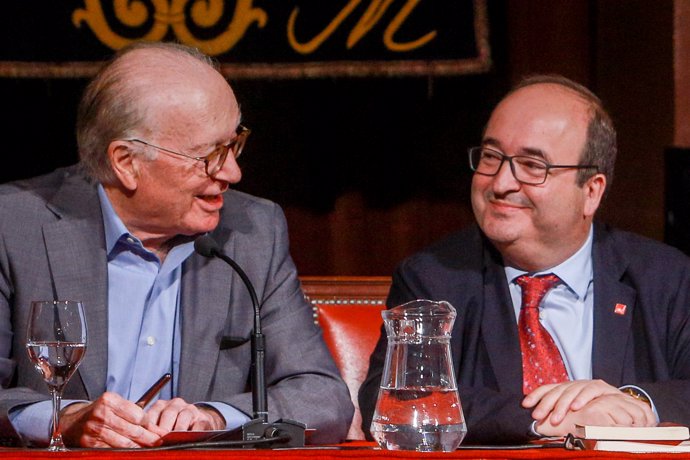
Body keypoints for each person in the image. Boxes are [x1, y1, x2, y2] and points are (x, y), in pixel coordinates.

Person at [0, 41, 353, 448]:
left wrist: (213, 417)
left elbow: (323, 397)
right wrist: (63, 419)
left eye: (234, 145)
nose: (233, 173)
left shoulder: (253, 231)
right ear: (126, 162)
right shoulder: (16, 226)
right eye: (210, 155)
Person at [359, 74, 690, 444]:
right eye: (491, 157)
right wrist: (549, 417)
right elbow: (396, 401)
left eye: (533, 166)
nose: (501, 183)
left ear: (592, 192)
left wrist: (631, 404)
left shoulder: (666, 277)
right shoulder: (435, 278)